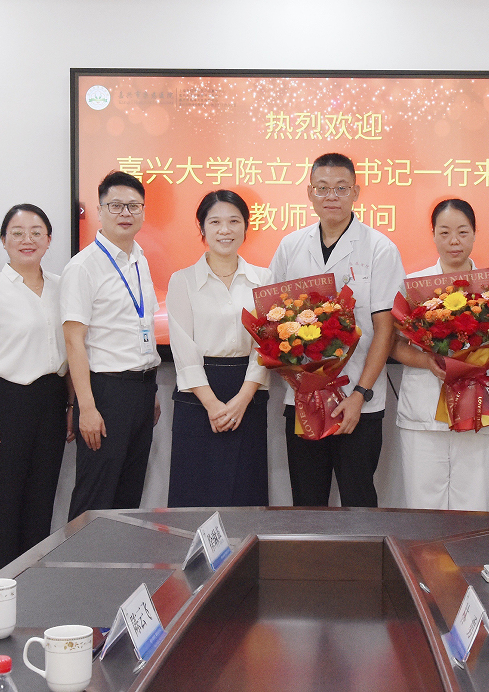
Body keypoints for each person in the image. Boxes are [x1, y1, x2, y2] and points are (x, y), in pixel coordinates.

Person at [268, 152, 406, 507]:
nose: (332, 196)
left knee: (358, 501)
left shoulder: (380, 249)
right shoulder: (290, 246)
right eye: (323, 188)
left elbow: (385, 329)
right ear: (309, 192)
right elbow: (271, 323)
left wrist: (360, 394)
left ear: (355, 192)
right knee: (307, 502)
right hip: (303, 400)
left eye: (341, 188)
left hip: (357, 401)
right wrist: (297, 378)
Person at [392, 198, 489, 511]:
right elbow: (394, 345)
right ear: (433, 235)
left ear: (475, 234)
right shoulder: (413, 287)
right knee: (424, 507)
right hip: (424, 412)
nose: (454, 241)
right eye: (445, 232)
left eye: (463, 232)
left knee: (474, 506)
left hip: (478, 405)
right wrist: (427, 361)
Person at [0, 204, 70, 574]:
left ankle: (33, 583)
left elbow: (71, 350)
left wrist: (72, 406)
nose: (28, 240)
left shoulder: (62, 287)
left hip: (52, 399)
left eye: (37, 232)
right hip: (8, 402)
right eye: (18, 233)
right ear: (4, 240)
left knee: (42, 498)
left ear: (49, 240)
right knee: (4, 501)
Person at [62, 171, 161, 520]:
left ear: (143, 211)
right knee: (95, 498)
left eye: (134, 206)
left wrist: (151, 391)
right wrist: (86, 408)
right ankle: (80, 559)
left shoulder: (140, 260)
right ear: (100, 210)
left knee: (127, 499)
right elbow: (73, 341)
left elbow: (142, 327)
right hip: (105, 394)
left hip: (142, 390)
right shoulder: (83, 267)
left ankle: (118, 560)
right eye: (116, 205)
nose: (125, 213)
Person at [165, 190, 271, 507]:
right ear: (202, 228)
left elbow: (266, 345)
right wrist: (212, 404)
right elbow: (183, 348)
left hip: (248, 393)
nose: (225, 230)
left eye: (234, 221)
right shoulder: (182, 281)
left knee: (245, 491)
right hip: (197, 398)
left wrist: (243, 398)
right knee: (195, 493)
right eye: (215, 222)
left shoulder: (264, 279)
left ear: (246, 226)